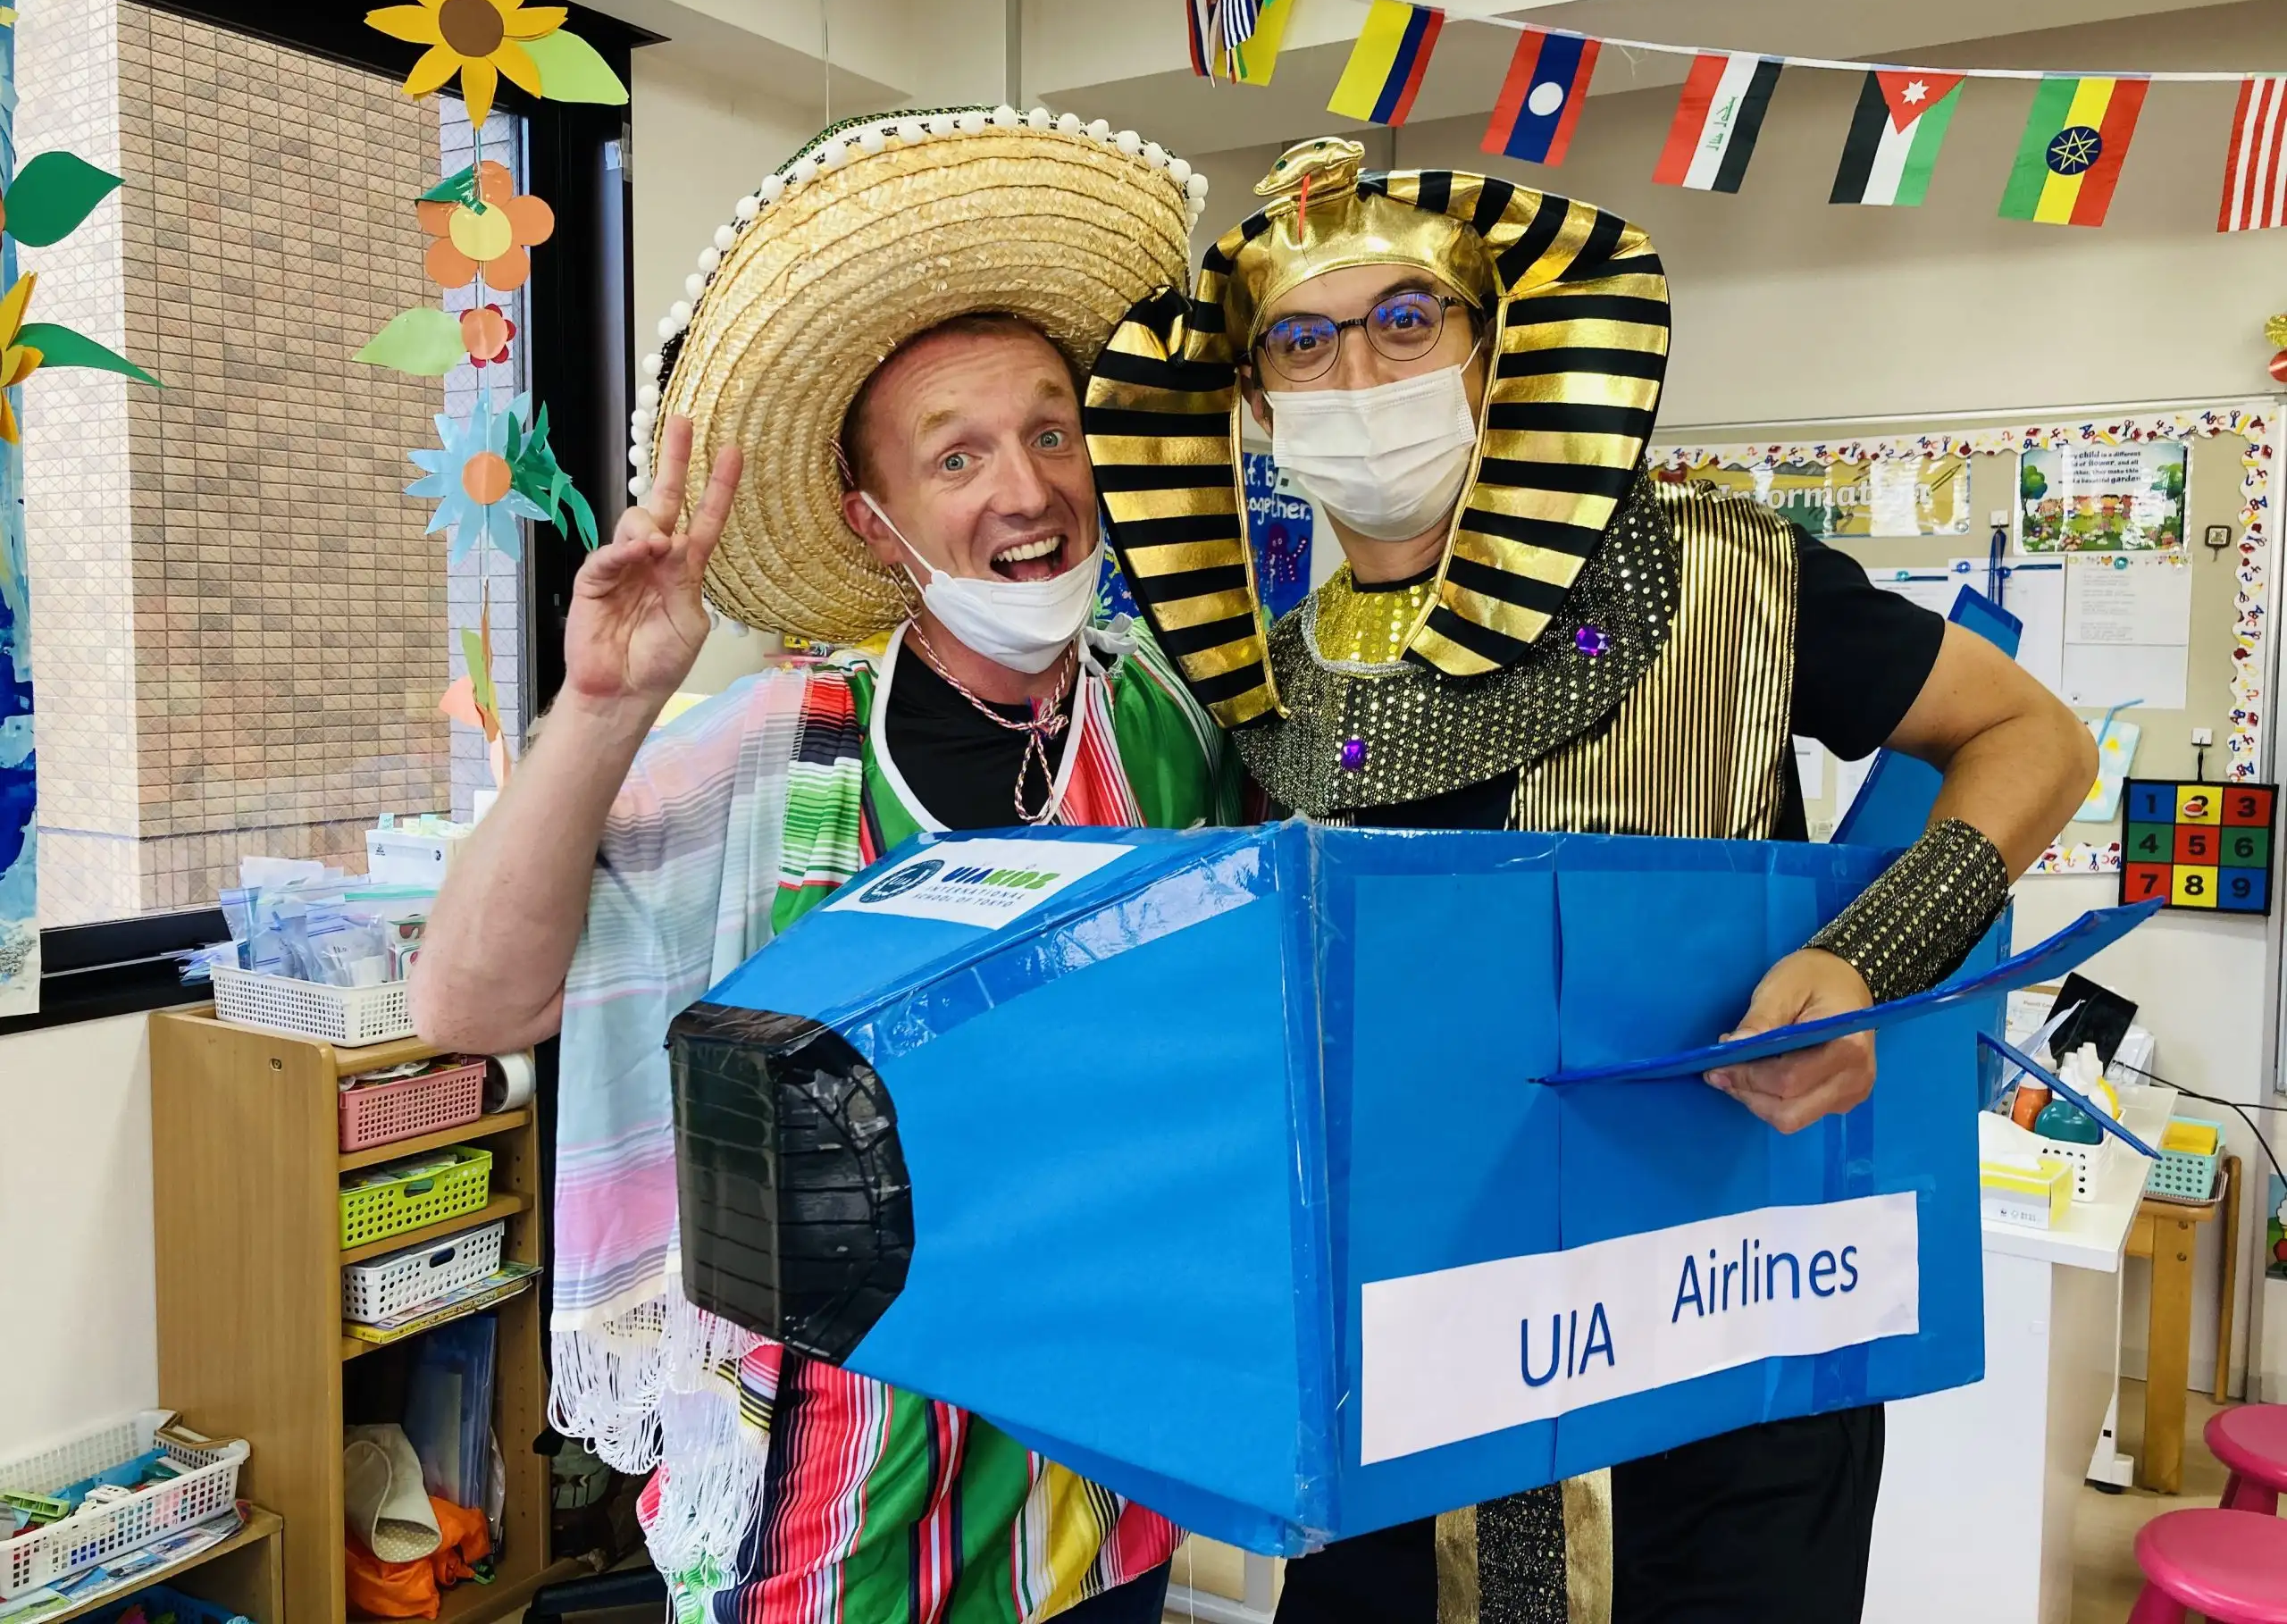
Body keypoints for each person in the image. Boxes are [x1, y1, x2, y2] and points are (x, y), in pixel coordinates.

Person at [1083, 136, 2096, 1623]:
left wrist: (1871, 959)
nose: (1358, 374)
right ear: (1253, 402)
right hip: (1403, 1377)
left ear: (1491, 354)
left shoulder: (1720, 581)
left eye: (1404, 323)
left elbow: (2036, 738)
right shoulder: (1268, 687)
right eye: (1301, 342)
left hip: (1715, 1359)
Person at [413, 108, 1237, 1624]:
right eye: (958, 455)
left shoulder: (1172, 728)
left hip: (1098, 1487)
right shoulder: (777, 746)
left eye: (1051, 430)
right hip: (832, 1507)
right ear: (876, 522)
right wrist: (602, 707)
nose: (1026, 489)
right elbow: (468, 999)